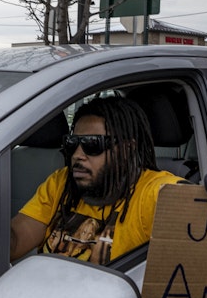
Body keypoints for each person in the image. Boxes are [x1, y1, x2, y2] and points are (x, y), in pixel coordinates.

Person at [9, 97, 182, 264]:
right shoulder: (61, 183)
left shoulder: (152, 192)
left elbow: (183, 200)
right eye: (72, 143)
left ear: (126, 149)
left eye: (92, 144)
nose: (77, 155)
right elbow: (16, 242)